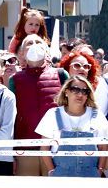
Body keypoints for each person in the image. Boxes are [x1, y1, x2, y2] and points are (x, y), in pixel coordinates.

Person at [10, 35, 68, 176]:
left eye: (38, 42)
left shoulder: (61, 74)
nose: (34, 45)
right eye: (29, 43)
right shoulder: (15, 80)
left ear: (46, 50)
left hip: (56, 148)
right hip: (26, 148)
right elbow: (10, 117)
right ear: (22, 53)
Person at [37, 75, 108, 177]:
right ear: (66, 92)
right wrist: (51, 171)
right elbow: (44, 148)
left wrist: (99, 170)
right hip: (61, 175)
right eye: (75, 90)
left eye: (85, 91)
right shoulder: (52, 114)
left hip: (90, 175)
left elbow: (103, 147)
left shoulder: (97, 115)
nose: (80, 94)